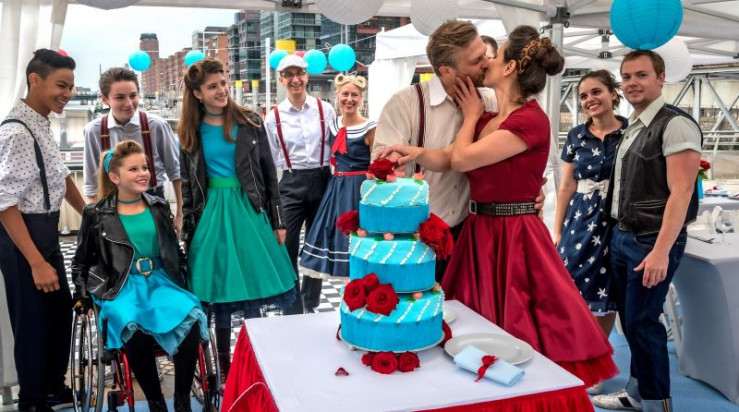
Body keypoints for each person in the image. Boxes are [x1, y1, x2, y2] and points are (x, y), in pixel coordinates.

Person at [382, 25, 618, 387]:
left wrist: (470, 117)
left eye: (493, 55)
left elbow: (461, 159)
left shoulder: (525, 118)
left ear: (509, 68)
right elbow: (447, 157)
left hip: (512, 234)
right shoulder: (489, 115)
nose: (487, 61)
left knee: (517, 323)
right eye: (480, 57)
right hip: (478, 232)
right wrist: (414, 152)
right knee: (472, 323)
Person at [593, 50, 701, 412]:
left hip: (650, 240)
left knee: (642, 322)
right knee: (632, 322)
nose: (632, 83)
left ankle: (657, 404)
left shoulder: (675, 125)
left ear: (660, 77)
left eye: (641, 75)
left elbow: (681, 193)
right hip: (624, 236)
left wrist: (660, 251)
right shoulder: (635, 126)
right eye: (626, 77)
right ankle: (637, 393)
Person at [179, 58, 296, 383]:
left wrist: (278, 220)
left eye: (223, 83)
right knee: (220, 289)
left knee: (253, 286)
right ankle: (224, 368)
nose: (221, 90)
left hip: (249, 210)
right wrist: (188, 230)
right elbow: (188, 186)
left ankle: (257, 360)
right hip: (211, 215)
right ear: (198, 94)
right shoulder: (190, 131)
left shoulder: (249, 121)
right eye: (212, 86)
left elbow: (269, 174)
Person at [71, 141, 207, 412]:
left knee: (191, 317)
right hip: (121, 285)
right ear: (114, 177)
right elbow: (81, 261)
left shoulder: (158, 206)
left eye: (145, 167)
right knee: (130, 325)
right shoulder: (96, 214)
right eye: (133, 169)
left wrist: (189, 281)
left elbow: (174, 251)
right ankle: (156, 403)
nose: (144, 173)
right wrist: (82, 296)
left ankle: (182, 401)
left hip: (162, 281)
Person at [372, 19, 498, 283]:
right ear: (446, 70)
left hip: (473, 234)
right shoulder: (405, 103)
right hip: (418, 240)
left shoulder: (491, 101)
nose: (487, 63)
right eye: (476, 60)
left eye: (485, 55)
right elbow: (381, 171)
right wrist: (392, 164)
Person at [0, 49, 85, 412]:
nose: (67, 93)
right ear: (35, 80)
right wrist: (35, 262)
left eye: (70, 86)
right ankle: (32, 402)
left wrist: (90, 215)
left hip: (47, 229)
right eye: (60, 85)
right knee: (33, 323)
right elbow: (4, 202)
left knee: (59, 313)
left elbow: (60, 176)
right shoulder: (17, 131)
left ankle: (52, 387)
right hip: (23, 235)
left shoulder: (41, 121)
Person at [553, 70, 627, 394]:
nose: (589, 100)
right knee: (570, 286)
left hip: (615, 219)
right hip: (579, 220)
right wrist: (557, 229)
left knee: (606, 293)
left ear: (613, 93)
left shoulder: (629, 132)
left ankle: (597, 362)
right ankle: (574, 355)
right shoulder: (576, 136)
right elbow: (566, 186)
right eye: (583, 96)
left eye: (596, 92)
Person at [264, 55, 337, 314]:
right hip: (291, 181)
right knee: (287, 246)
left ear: (306, 76)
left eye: (299, 74)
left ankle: (311, 301)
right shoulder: (273, 117)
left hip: (322, 179)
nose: (295, 79)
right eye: (289, 75)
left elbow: (337, 147)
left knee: (317, 246)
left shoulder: (325, 110)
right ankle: (292, 307)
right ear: (281, 80)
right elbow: (270, 160)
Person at [82, 67, 183, 235]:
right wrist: (95, 223)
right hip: (112, 207)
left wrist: (180, 214)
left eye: (133, 95)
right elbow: (91, 185)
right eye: (120, 97)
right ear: (104, 99)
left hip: (153, 201)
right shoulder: (94, 131)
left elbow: (176, 173)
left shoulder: (156, 125)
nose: (129, 103)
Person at [300, 74, 376, 279]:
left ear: (361, 98)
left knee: (358, 233)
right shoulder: (332, 125)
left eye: (354, 95)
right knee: (334, 232)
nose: (349, 99)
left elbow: (376, 163)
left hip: (359, 188)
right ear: (337, 96)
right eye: (345, 94)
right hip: (336, 186)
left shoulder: (370, 127)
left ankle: (361, 281)